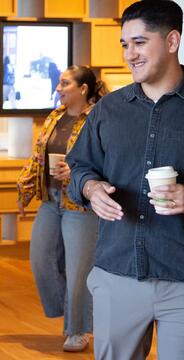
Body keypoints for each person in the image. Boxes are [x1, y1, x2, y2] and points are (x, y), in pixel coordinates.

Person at [66, 1, 184, 359]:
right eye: (124, 45)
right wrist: (90, 187)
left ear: (172, 41)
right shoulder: (109, 108)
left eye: (139, 42)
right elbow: (80, 167)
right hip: (118, 273)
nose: (129, 54)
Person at [17, 65, 107, 352]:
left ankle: (77, 329)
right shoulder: (54, 116)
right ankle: (68, 310)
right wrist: (25, 189)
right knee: (40, 260)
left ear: (83, 89)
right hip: (50, 201)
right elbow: (37, 156)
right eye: (59, 83)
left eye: (65, 83)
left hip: (80, 205)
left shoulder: (98, 119)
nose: (58, 88)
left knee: (78, 270)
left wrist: (78, 171)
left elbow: (108, 160)